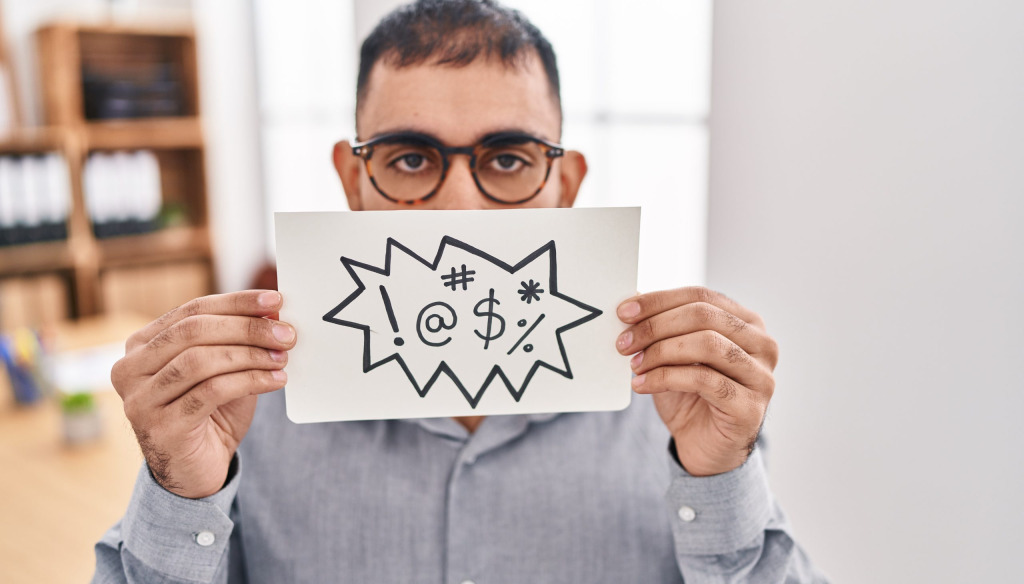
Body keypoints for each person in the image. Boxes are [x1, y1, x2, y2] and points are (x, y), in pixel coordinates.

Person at [94, 1, 826, 582]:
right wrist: (181, 492)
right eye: (410, 158)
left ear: (565, 187)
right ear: (353, 183)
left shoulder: (674, 412)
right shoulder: (244, 417)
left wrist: (723, 481)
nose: (460, 210)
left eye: (507, 158)